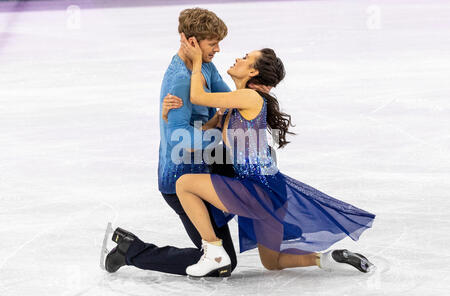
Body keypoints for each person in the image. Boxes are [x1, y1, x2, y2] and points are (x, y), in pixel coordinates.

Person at [162, 33, 376, 277]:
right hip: (272, 191)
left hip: (257, 190)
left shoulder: (250, 97)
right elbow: (204, 131)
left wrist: (198, 60)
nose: (237, 58)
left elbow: (197, 96)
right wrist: (168, 115)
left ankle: (214, 251)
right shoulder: (235, 105)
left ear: (252, 72)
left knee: (184, 184)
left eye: (245, 58)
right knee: (272, 262)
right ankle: (326, 260)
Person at [100, 8, 238, 276]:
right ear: (192, 42)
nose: (219, 49)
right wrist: (218, 129)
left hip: (203, 170)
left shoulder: (205, 67)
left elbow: (228, 100)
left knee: (223, 257)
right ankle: (131, 251)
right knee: (221, 264)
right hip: (180, 181)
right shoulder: (179, 80)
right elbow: (181, 139)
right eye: (213, 43)